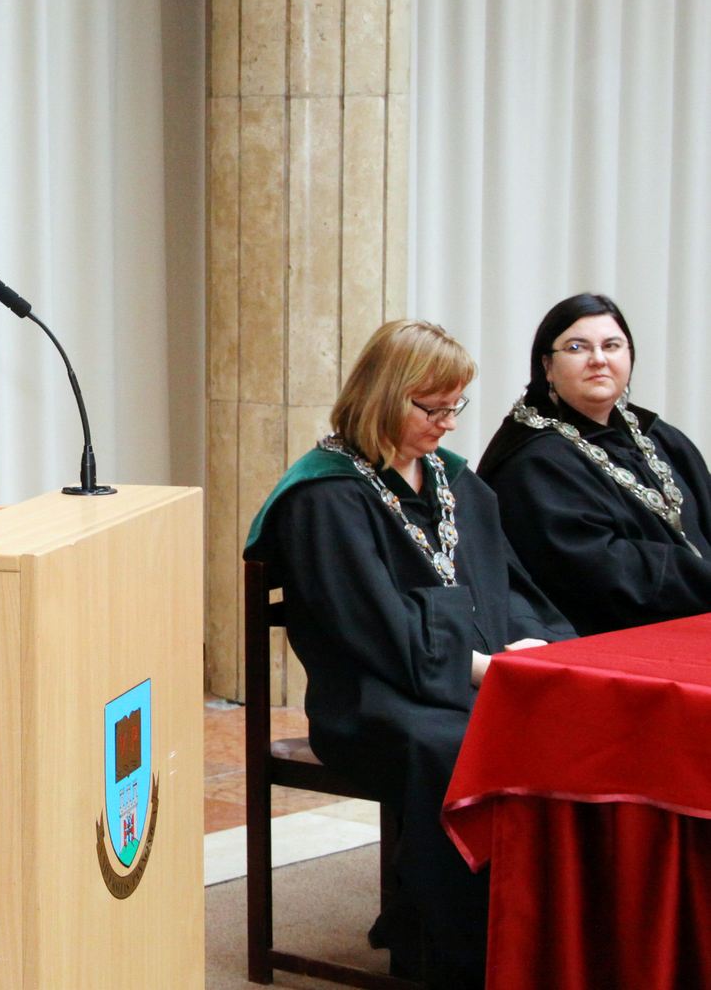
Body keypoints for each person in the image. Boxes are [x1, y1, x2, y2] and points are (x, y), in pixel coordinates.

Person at [244, 320, 572, 988]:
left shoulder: (454, 481)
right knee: (459, 745)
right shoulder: (324, 497)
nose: (448, 423)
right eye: (433, 408)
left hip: (472, 677)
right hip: (371, 698)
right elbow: (372, 628)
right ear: (383, 397)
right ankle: (447, 950)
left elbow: (508, 585)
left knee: (565, 720)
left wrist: (533, 642)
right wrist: (483, 669)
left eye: (455, 406)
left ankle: (538, 939)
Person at [478, 293, 711, 635]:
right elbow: (601, 569)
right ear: (547, 366)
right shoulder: (533, 461)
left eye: (612, 346)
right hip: (609, 640)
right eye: (577, 348)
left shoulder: (660, 437)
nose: (598, 360)